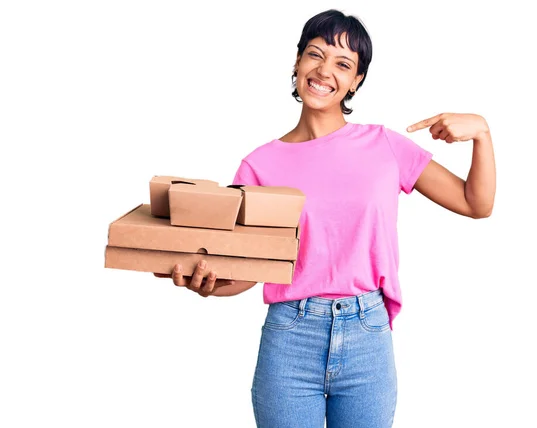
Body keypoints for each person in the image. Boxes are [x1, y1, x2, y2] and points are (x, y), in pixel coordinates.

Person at [155, 9, 496, 428]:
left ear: (357, 81)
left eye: (343, 63)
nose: (324, 70)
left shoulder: (385, 146)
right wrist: (207, 284)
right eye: (315, 54)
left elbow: (475, 203)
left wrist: (482, 133)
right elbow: (248, 272)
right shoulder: (259, 166)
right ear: (297, 62)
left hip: (368, 337)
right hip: (290, 338)